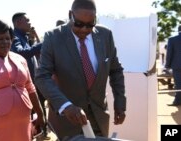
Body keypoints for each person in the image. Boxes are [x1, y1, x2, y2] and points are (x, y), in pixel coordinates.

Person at [35, 0, 126, 140]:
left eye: (90, 25)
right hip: (68, 120)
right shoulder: (53, 37)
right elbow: (42, 76)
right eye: (79, 24)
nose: (84, 29)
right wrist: (65, 106)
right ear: (70, 15)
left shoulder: (105, 35)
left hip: (99, 116)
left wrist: (120, 101)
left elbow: (115, 70)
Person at [11, 12, 50, 140]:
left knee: (39, 111)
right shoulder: (15, 38)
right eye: (27, 20)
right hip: (25, 86)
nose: (30, 23)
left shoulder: (24, 37)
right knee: (30, 116)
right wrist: (43, 43)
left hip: (34, 83)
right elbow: (21, 53)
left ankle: (41, 134)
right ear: (18, 23)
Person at [165, 25, 181, 106]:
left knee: (178, 84)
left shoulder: (172, 40)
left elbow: (169, 54)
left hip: (177, 66)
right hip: (177, 66)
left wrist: (167, 66)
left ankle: (177, 101)